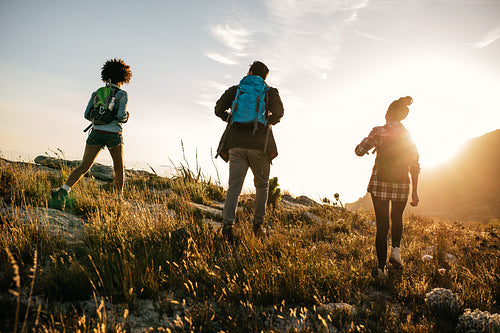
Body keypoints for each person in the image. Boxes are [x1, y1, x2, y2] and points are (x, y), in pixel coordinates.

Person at [215, 61, 284, 241]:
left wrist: (229, 118)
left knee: (234, 188)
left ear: (250, 72)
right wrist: (269, 121)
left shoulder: (236, 89)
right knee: (262, 186)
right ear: (264, 77)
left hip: (236, 145)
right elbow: (279, 112)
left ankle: (227, 227)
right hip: (260, 145)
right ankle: (257, 227)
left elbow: (217, 109)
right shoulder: (269, 91)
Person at [51, 58, 132, 205]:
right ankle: (118, 199)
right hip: (114, 134)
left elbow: (87, 115)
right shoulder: (122, 94)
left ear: (106, 76)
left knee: (84, 166)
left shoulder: (97, 93)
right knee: (118, 167)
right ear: (123, 77)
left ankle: (64, 190)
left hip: (95, 132)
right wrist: (126, 117)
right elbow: (120, 116)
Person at [355, 96, 420, 279]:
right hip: (402, 186)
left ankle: (381, 269)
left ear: (389, 113)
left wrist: (368, 142)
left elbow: (359, 151)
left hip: (380, 184)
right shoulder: (409, 136)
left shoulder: (378, 131)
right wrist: (415, 191)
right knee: (397, 218)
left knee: (382, 226)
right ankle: (396, 252)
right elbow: (415, 165)